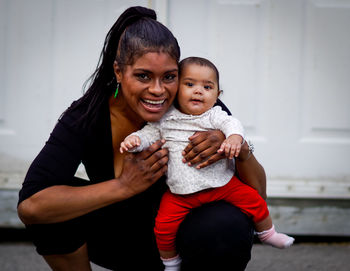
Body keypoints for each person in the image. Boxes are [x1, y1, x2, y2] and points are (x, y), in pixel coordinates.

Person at [17, 6, 267, 271]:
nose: (158, 90)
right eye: (143, 76)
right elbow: (31, 207)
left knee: (227, 224)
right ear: (118, 71)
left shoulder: (198, 110)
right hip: (121, 241)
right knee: (54, 207)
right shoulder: (86, 115)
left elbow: (259, 193)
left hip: (181, 242)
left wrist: (238, 149)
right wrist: (125, 186)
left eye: (169, 77)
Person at [120, 56, 294, 270]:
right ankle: (171, 263)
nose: (198, 91)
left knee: (253, 201)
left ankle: (268, 233)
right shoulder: (166, 118)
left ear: (217, 95)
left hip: (221, 186)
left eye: (207, 86)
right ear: (175, 89)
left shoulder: (214, 115)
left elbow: (233, 124)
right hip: (179, 193)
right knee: (163, 227)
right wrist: (135, 141)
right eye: (190, 84)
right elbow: (148, 133)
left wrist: (233, 138)